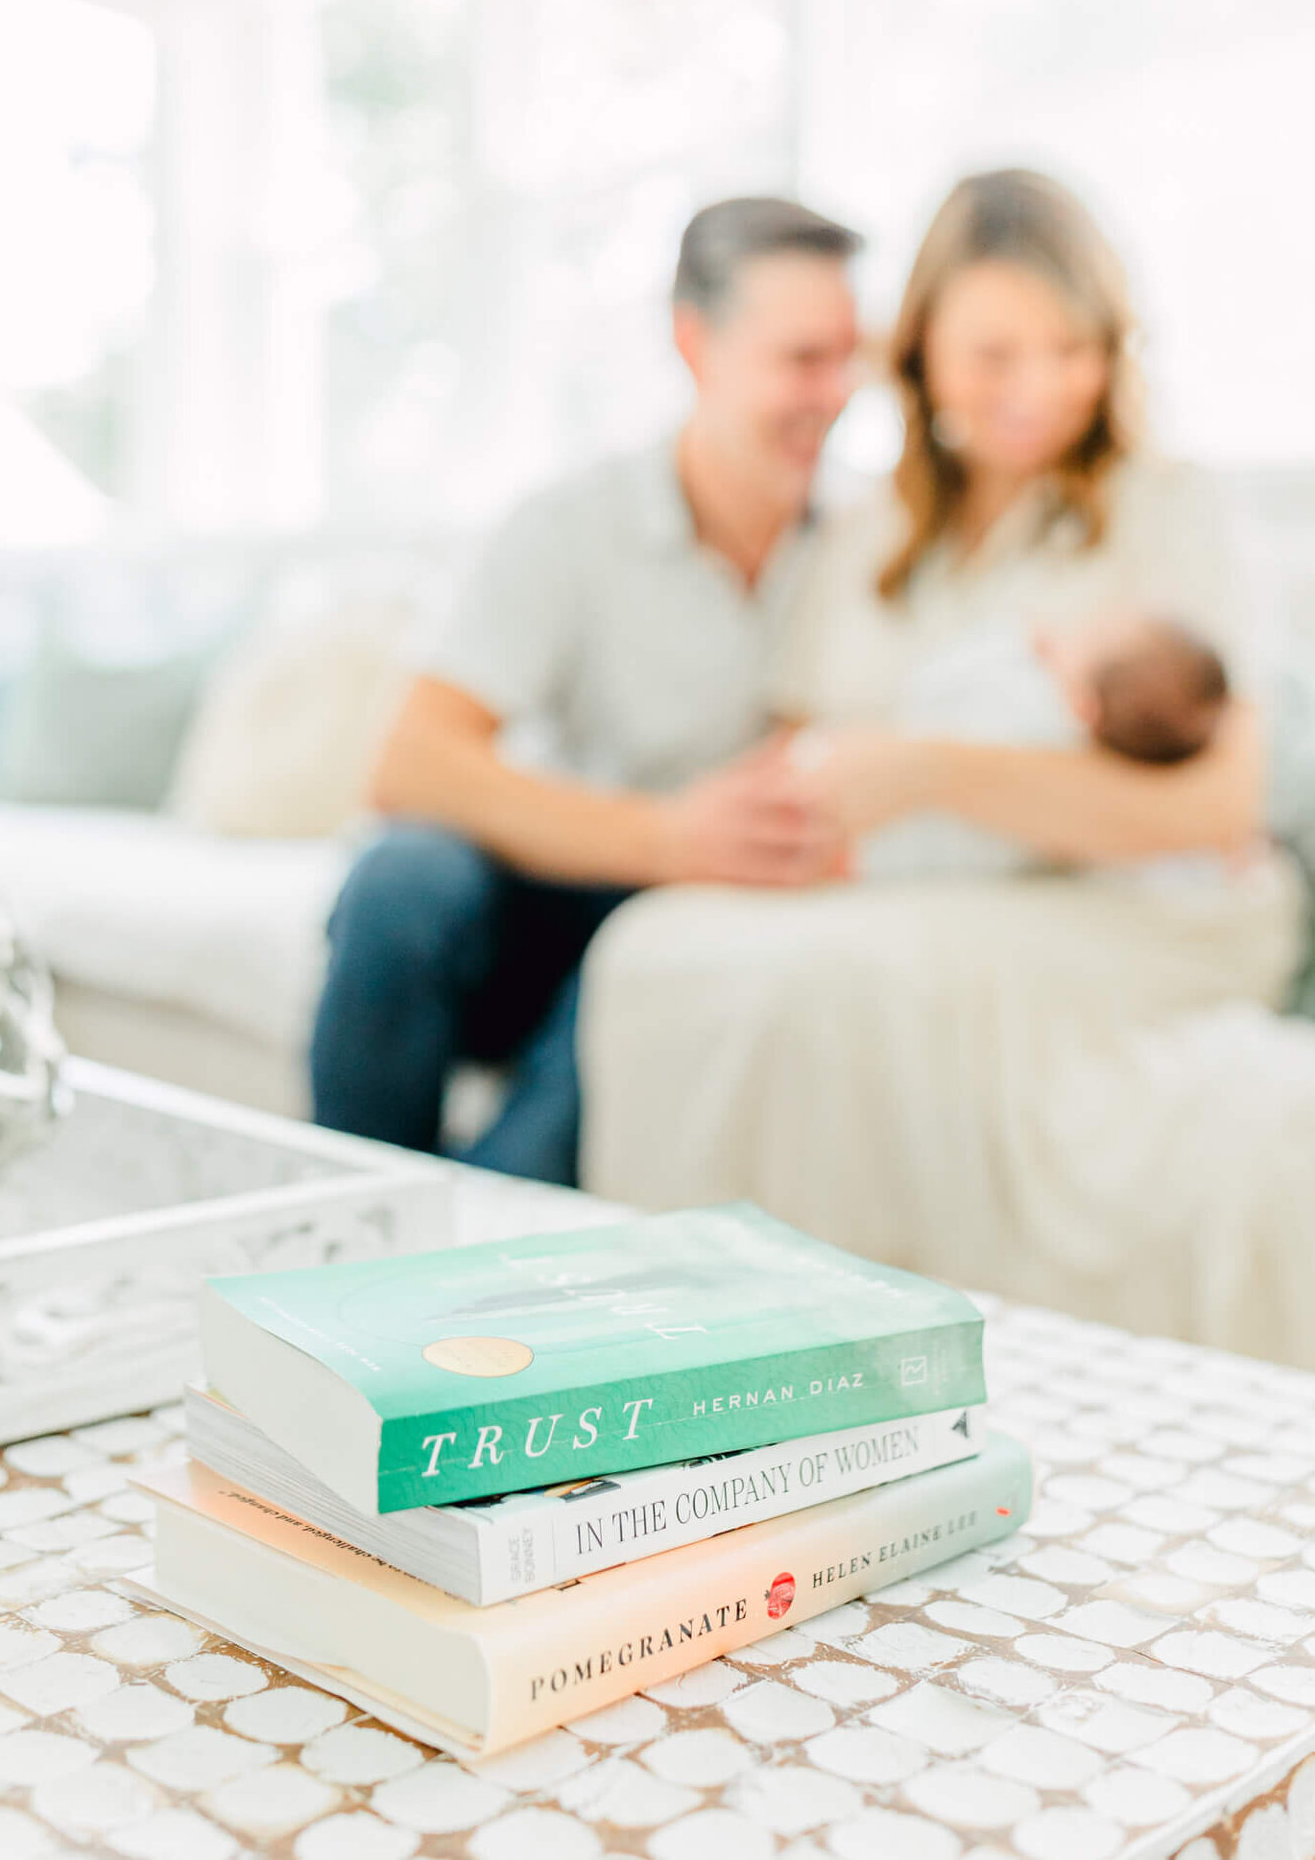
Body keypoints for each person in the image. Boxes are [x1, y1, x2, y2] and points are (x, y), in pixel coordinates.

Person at [580, 170, 1302, 1326]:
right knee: (657, 951)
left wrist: (924, 770)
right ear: (913, 354)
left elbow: (1212, 811)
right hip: (907, 884)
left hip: (1137, 910)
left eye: (1069, 350)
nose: (1039, 389)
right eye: (993, 354)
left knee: (826, 986)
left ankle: (836, 1346)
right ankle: (670, 1335)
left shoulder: (1171, 508)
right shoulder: (869, 533)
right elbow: (801, 745)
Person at [307, 194, 863, 1184]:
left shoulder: (865, 545)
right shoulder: (572, 525)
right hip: (554, 880)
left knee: (652, 975)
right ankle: (351, 1213)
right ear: (695, 345)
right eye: (802, 359)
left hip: (694, 924)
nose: (837, 392)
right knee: (400, 880)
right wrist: (664, 837)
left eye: (849, 356)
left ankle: (463, 1258)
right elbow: (409, 763)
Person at [789, 606, 1234, 880]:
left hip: (860, 805)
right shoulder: (1091, 795)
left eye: (1086, 637)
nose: (1065, 634)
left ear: (1084, 707)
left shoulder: (1028, 698)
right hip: (898, 852)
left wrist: (1017, 641)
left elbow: (931, 689)